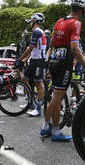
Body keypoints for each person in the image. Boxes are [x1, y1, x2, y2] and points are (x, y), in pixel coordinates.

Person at [42, 0, 85, 141]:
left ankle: (45, 127)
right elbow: (74, 48)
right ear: (82, 11)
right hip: (64, 63)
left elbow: (52, 43)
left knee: (55, 96)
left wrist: (49, 59)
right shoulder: (76, 23)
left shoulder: (60, 21)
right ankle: (55, 132)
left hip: (54, 61)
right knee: (57, 98)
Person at [18, 13, 47, 117]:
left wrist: (20, 59)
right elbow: (32, 49)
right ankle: (31, 103)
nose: (30, 22)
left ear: (35, 21)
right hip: (34, 61)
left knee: (38, 84)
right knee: (24, 80)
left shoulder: (37, 32)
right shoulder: (35, 32)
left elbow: (30, 48)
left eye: (31, 20)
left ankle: (38, 109)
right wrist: (25, 59)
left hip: (39, 61)